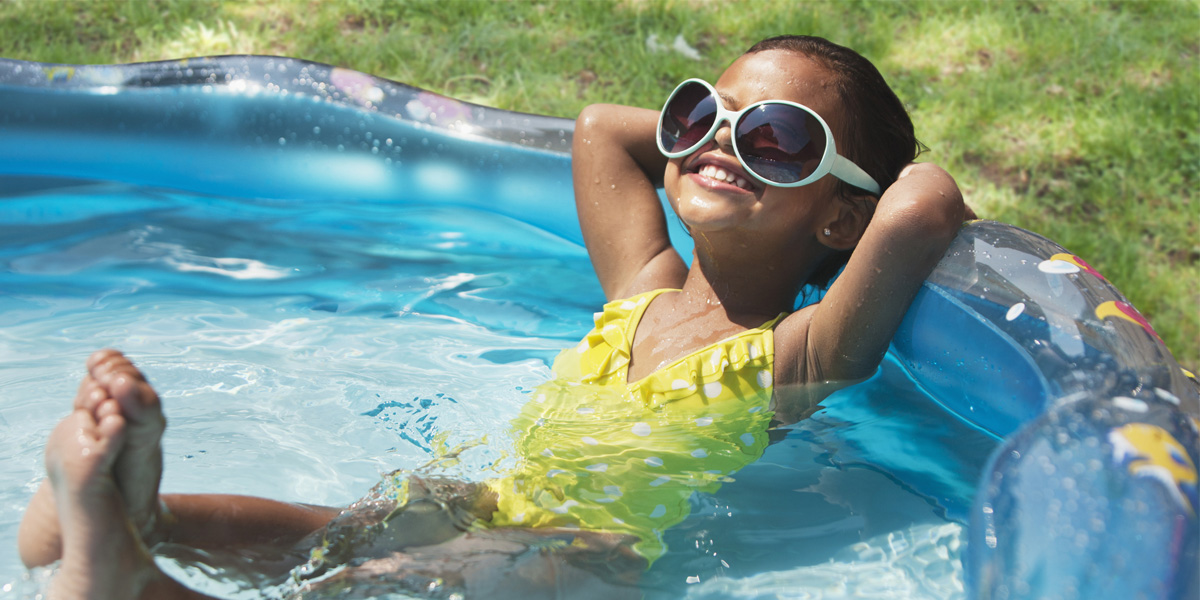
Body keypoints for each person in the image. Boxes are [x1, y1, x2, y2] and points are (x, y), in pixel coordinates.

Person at [18, 35, 966, 599]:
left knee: (368, 591)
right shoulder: (641, 288)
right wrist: (732, 136)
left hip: (580, 560)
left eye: (778, 140)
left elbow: (919, 198)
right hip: (494, 504)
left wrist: (839, 178)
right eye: (702, 117)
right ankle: (136, 515)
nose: (724, 142)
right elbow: (599, 126)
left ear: (844, 213)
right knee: (341, 529)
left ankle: (127, 568)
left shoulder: (794, 355)